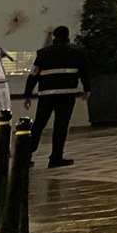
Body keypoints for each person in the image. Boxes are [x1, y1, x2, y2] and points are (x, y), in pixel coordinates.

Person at [23, 25, 90, 168]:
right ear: (67, 36)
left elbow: (34, 74)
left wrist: (27, 93)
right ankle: (56, 157)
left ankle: (26, 155)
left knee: (39, 124)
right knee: (61, 126)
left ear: (54, 36)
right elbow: (84, 72)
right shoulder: (77, 52)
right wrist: (87, 89)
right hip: (66, 94)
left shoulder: (43, 53)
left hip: (46, 94)